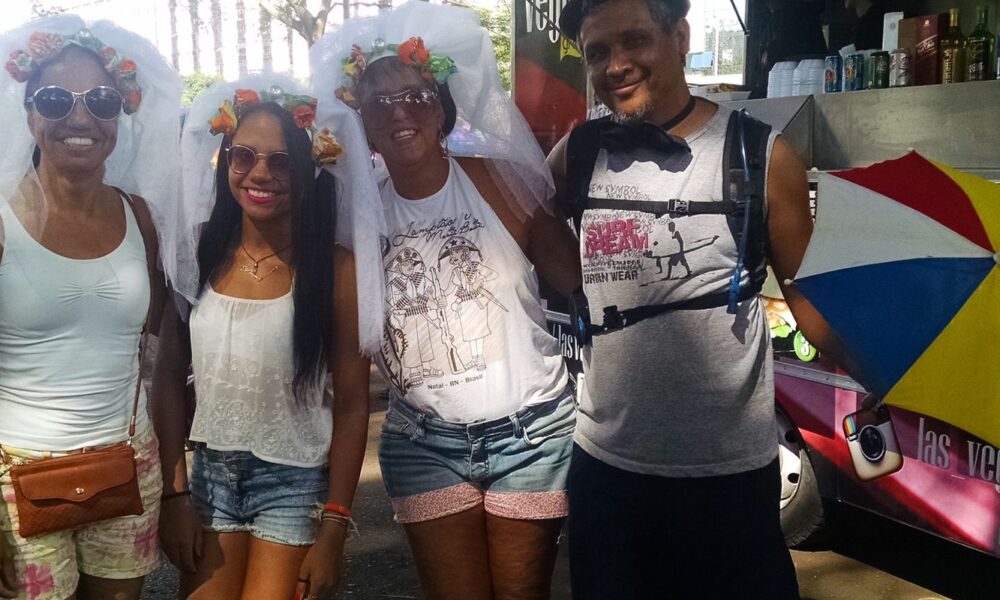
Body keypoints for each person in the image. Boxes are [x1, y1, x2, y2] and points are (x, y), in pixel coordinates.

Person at [549, 0, 846, 597]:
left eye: (634, 41)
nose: (615, 65)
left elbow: (812, 305)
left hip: (728, 479)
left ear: (681, 37)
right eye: (598, 52)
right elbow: (534, 236)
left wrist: (880, 367)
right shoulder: (577, 155)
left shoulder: (759, 156)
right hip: (607, 472)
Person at [311, 3, 582, 598]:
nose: (399, 112)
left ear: (441, 108)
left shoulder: (497, 179)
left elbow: (580, 279)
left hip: (532, 437)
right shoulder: (355, 223)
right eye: (379, 102)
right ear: (362, 123)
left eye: (416, 95)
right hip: (423, 445)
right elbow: (350, 383)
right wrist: (334, 515)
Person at [151, 76, 381, 600]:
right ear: (225, 160)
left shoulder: (335, 270)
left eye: (281, 162)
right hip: (210, 479)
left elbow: (352, 404)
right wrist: (173, 495)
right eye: (244, 156)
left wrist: (334, 525)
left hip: (294, 483)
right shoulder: (198, 253)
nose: (260, 174)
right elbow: (166, 379)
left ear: (309, 170)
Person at [0, 16, 180, 600]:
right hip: (15, 477)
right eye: (56, 100)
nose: (80, 119)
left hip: (127, 464)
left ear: (120, 114)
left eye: (101, 101)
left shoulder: (141, 218)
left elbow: (155, 347)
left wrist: (175, 484)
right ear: (28, 113)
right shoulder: (1, 222)